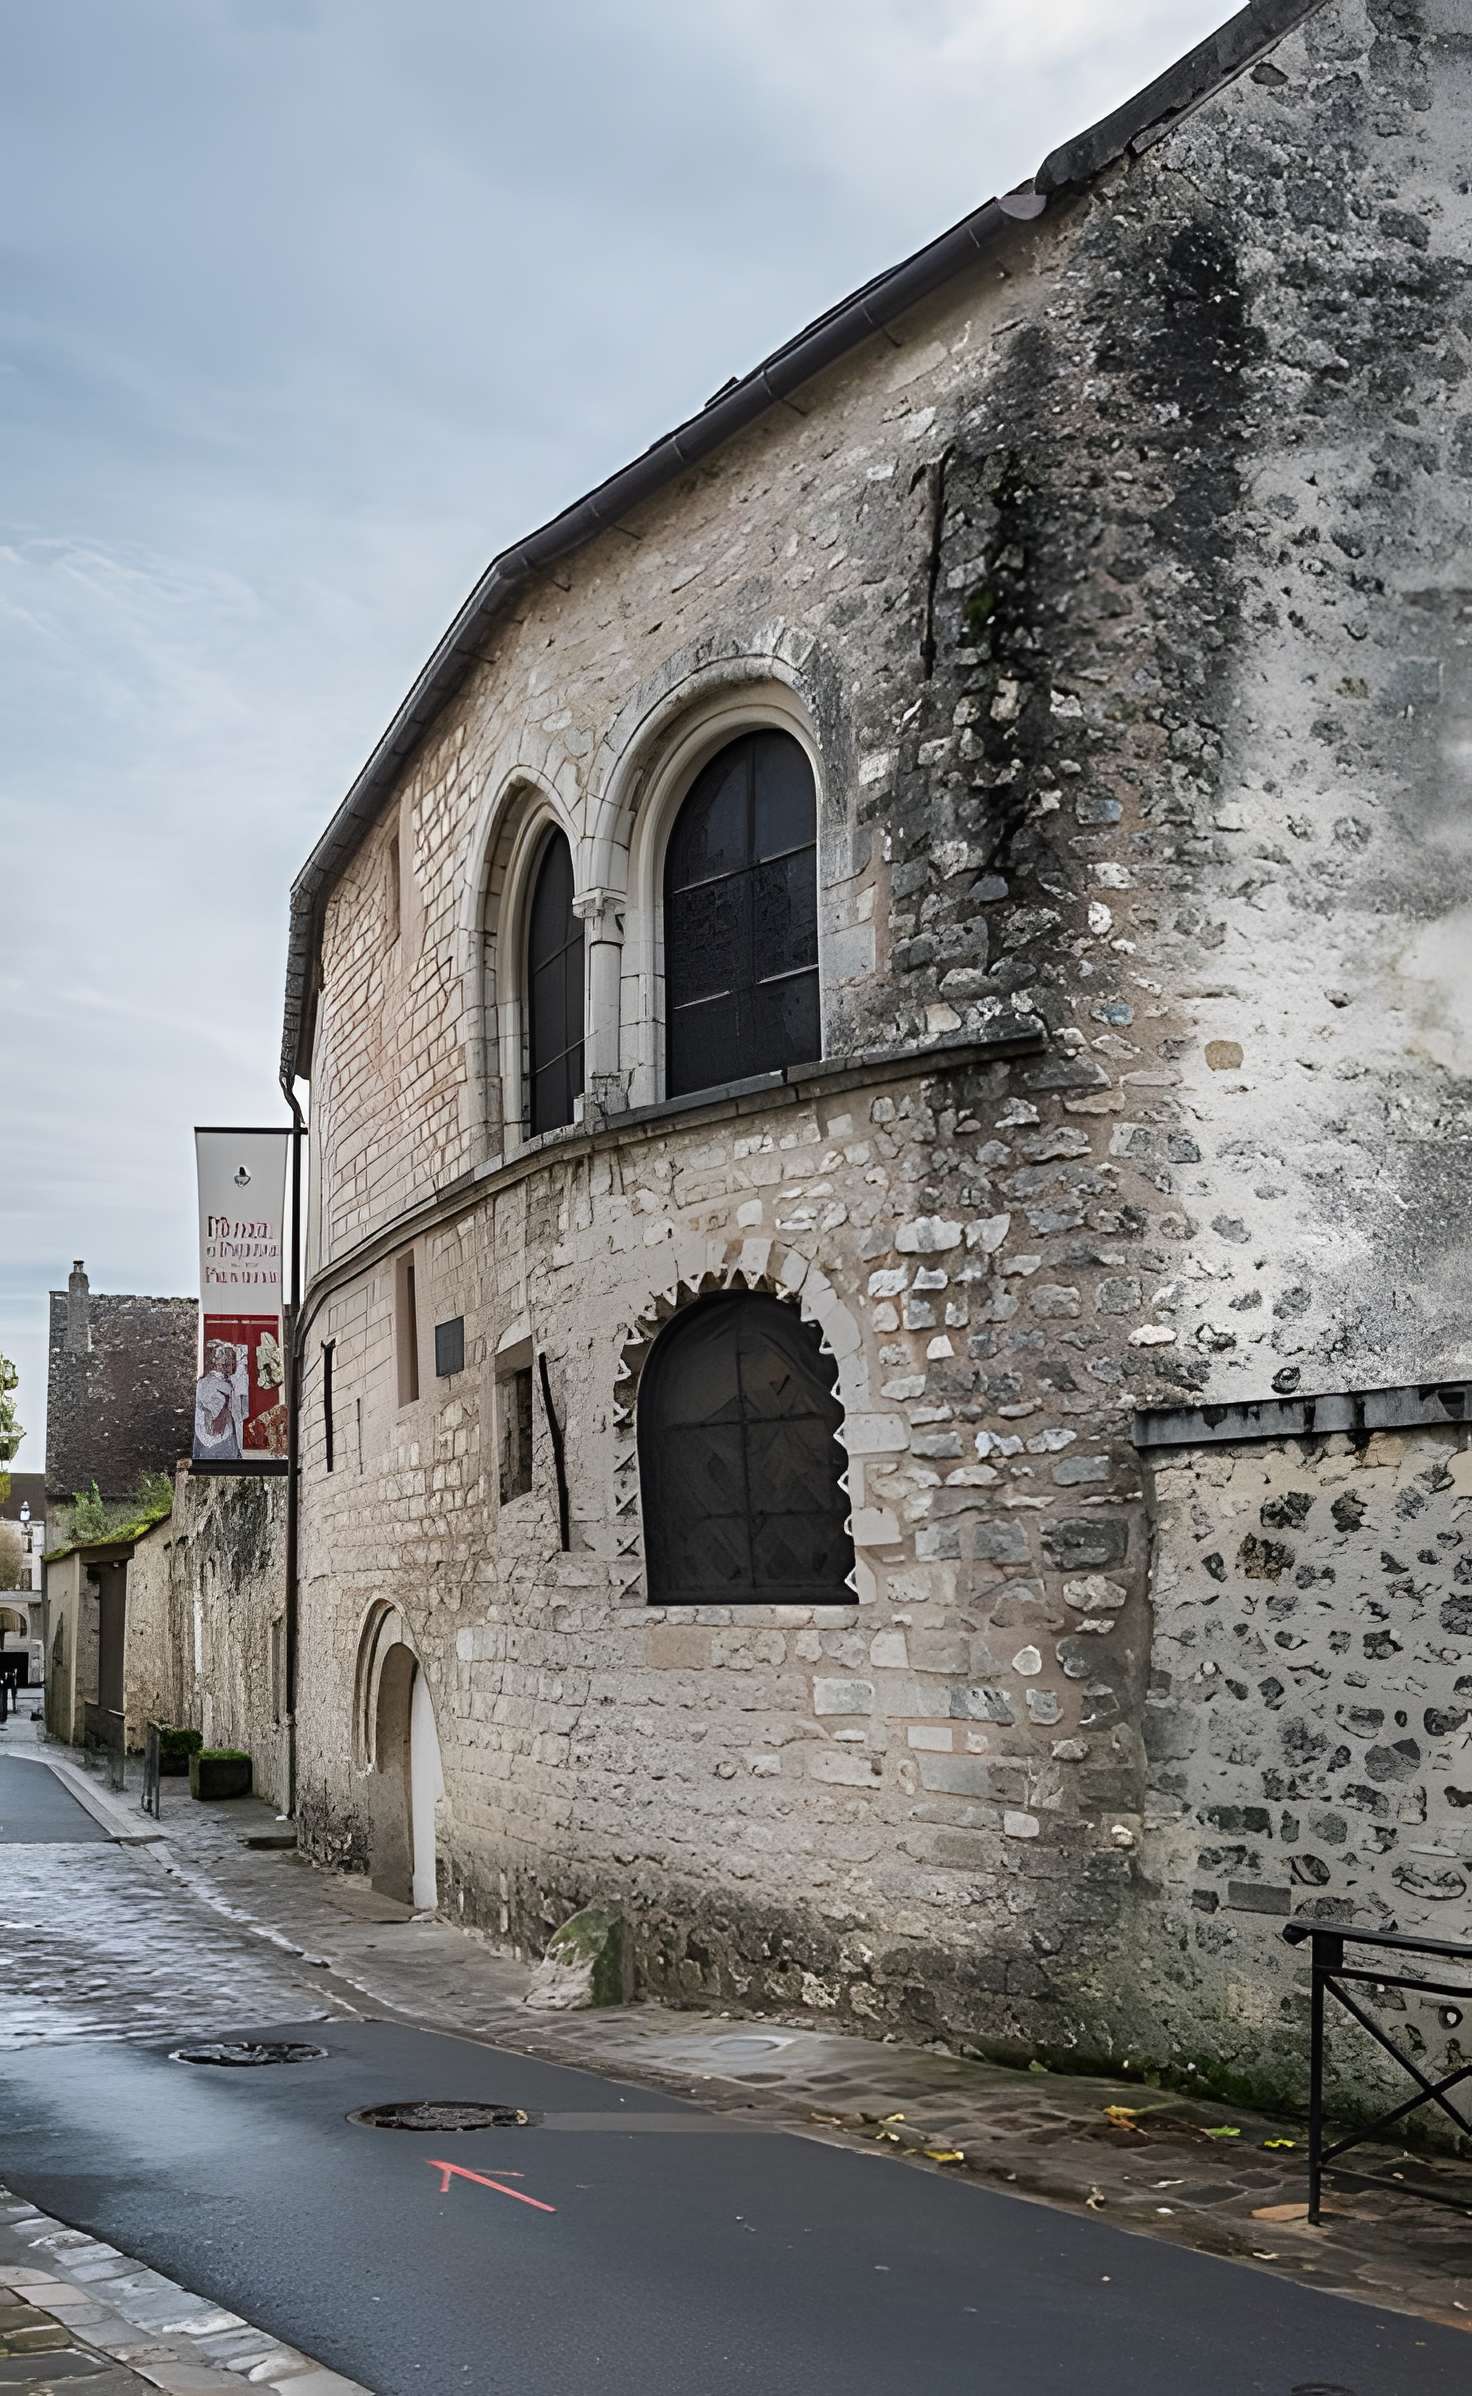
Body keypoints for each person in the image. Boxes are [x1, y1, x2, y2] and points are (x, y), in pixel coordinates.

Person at [194, 1339, 248, 1461]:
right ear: (219, 1364)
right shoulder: (216, 1384)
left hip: (221, 1440)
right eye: (229, 1364)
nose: (231, 1368)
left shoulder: (219, 1383)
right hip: (218, 1442)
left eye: (233, 1364)